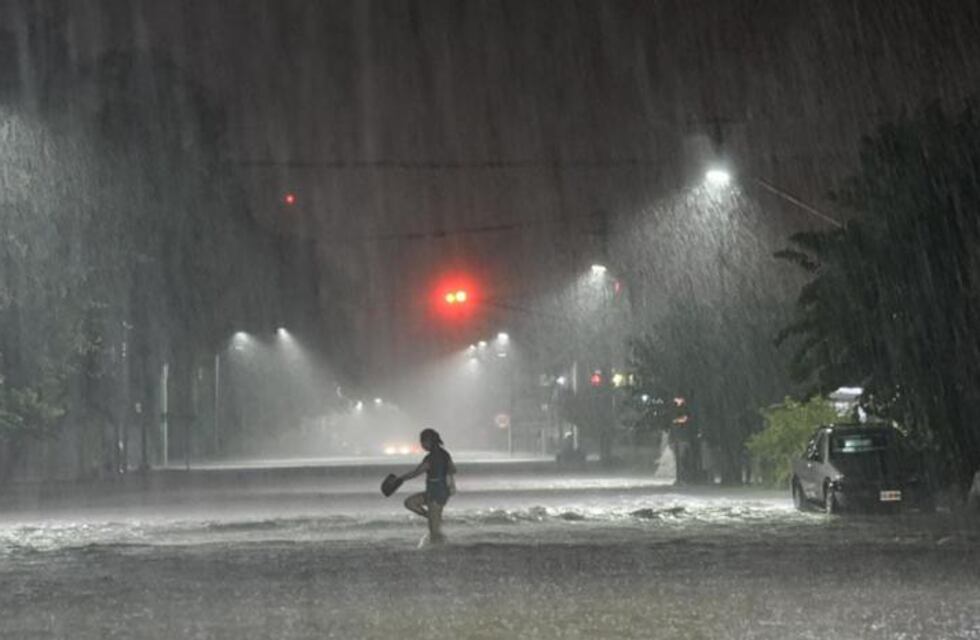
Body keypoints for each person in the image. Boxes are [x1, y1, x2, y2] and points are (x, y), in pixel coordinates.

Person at [399, 428, 456, 544]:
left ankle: (439, 550)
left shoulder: (431, 458)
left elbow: (416, 473)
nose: (421, 445)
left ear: (428, 442)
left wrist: (400, 479)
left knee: (434, 531)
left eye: (422, 442)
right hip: (441, 491)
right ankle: (432, 518)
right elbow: (453, 469)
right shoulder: (445, 454)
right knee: (410, 503)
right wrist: (451, 483)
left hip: (436, 492)